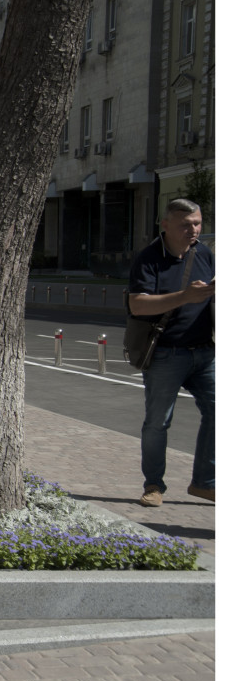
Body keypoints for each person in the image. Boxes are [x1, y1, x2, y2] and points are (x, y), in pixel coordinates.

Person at [127, 198, 214, 507]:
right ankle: (154, 485)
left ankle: (204, 482)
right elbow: (138, 305)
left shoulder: (204, 253)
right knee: (158, 422)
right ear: (165, 225)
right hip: (166, 353)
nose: (194, 230)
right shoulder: (149, 258)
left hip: (205, 352)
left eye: (197, 223)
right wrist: (185, 296)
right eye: (186, 225)